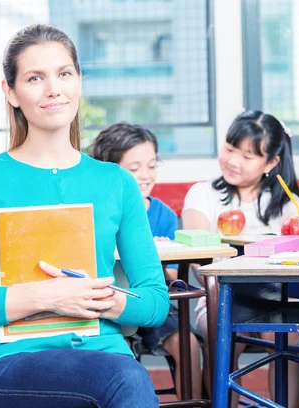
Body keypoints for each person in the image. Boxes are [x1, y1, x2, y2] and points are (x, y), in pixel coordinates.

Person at [0, 24, 169, 408]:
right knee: (126, 379)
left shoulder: (116, 182)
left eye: (64, 73)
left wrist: (95, 299)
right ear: (11, 92)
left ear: (79, 81)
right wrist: (43, 296)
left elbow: (154, 302)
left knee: (123, 376)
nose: (54, 89)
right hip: (11, 364)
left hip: (105, 355)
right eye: (35, 78)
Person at [182, 110, 299, 408]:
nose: (233, 161)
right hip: (220, 299)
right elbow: (202, 265)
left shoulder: (288, 205)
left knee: (286, 335)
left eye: (248, 156)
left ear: (272, 162)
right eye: (229, 148)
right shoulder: (202, 195)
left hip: (279, 299)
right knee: (221, 326)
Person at [89, 122, 203, 400]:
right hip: (103, 302)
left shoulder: (162, 214)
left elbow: (174, 274)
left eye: (152, 166)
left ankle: (193, 402)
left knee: (188, 344)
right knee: (114, 354)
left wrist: (158, 257)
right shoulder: (93, 210)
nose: (145, 175)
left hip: (149, 302)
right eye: (134, 168)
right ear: (110, 169)